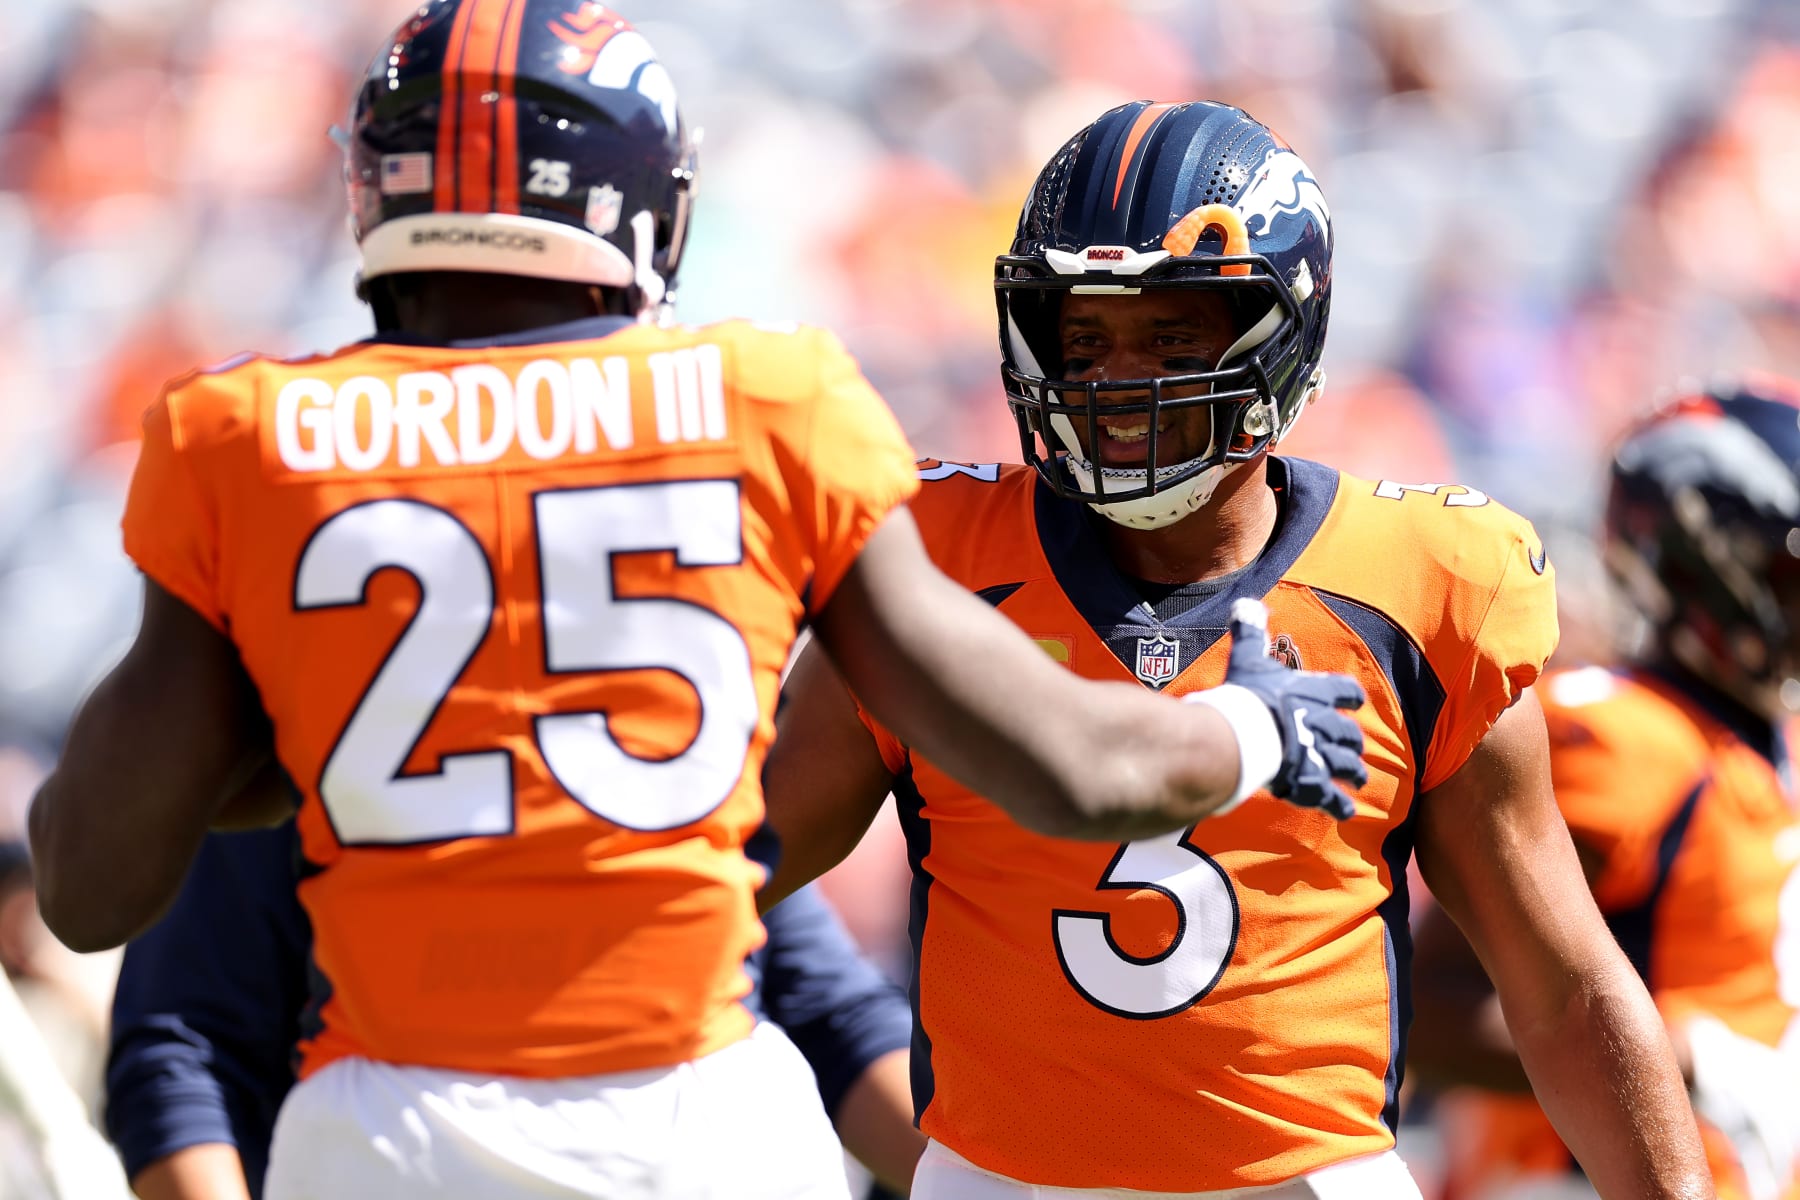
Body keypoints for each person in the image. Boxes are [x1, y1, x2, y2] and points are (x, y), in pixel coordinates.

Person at [25, 8, 1370, 1198]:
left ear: (376, 191)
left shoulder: (251, 436)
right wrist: (1252, 728)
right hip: (693, 1126)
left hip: (392, 1134)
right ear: (644, 202)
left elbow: (87, 886)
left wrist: (286, 757)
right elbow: (1081, 767)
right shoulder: (762, 402)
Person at [759, 99, 1715, 1199]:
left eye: (1173, 334)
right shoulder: (934, 557)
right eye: (1084, 336)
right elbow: (737, 855)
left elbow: (1564, 990)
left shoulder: (1426, 581)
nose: (1121, 380)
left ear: (1281, 330)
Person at [1412, 379, 1800, 1200]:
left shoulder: (1758, 739)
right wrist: (1685, 1063)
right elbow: (1421, 1008)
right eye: (1788, 576)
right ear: (1704, 566)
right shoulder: (1621, 738)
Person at [105, 825, 925, 1200]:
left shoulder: (661, 690)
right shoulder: (314, 691)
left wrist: (994, 1183)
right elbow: (182, 1056)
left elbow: (833, 1016)